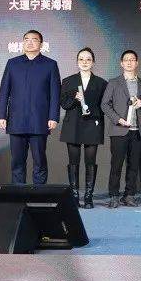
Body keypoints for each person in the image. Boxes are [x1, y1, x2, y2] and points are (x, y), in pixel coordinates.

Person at [0, 30, 60, 184]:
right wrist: (1, 115)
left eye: (34, 39)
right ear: (23, 43)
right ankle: (19, 194)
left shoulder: (50, 65)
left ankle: (39, 195)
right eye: (26, 39)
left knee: (39, 161)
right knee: (17, 162)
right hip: (16, 120)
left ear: (41, 44)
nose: (30, 42)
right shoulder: (12, 63)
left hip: (40, 120)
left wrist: (53, 117)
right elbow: (4, 91)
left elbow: (55, 93)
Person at [59, 48, 107, 208]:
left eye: (88, 59)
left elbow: (104, 106)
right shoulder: (68, 81)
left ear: (93, 62)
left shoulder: (101, 83)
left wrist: (93, 112)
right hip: (73, 125)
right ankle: (74, 196)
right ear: (77, 62)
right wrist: (75, 98)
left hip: (92, 124)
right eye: (81, 59)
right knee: (73, 161)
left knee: (90, 161)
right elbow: (64, 104)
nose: (84, 62)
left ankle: (88, 197)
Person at [100, 49, 141, 208]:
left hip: (137, 131)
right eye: (126, 60)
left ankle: (129, 195)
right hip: (119, 130)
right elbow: (104, 104)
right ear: (121, 63)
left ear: (137, 63)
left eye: (132, 59)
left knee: (134, 166)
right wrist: (118, 119)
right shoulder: (114, 82)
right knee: (116, 165)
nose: (129, 62)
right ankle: (114, 195)